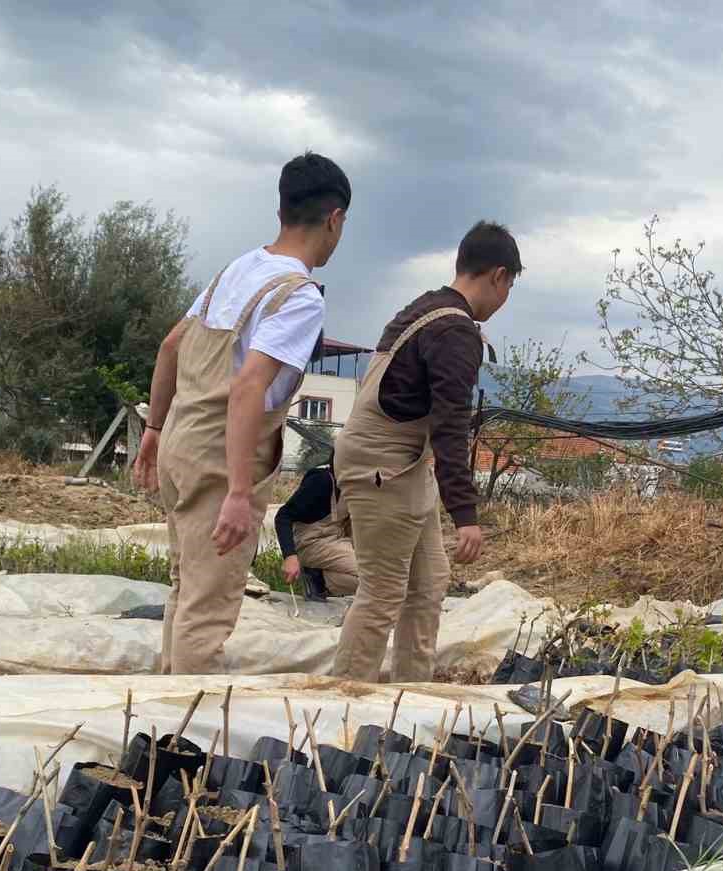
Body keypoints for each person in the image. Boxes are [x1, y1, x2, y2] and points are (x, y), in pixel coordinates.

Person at [133, 152, 349, 674]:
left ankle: (164, 700)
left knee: (186, 587)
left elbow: (169, 347)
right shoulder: (298, 295)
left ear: (282, 209)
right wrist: (236, 490)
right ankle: (180, 735)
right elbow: (249, 385)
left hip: (181, 439)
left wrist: (155, 430)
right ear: (334, 219)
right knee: (207, 607)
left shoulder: (237, 270)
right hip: (220, 457)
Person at [330, 221, 519, 683]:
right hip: (385, 466)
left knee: (430, 581)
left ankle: (411, 696)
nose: (506, 297)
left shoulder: (424, 308)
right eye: (509, 285)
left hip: (403, 465)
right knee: (382, 592)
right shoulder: (455, 331)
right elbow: (451, 423)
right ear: (498, 276)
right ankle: (339, 702)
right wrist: (465, 513)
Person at [274, 461, 357, 600]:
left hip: (337, 540)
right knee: (372, 578)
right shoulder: (321, 481)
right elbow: (283, 516)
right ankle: (319, 583)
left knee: (382, 571)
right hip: (311, 542)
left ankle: (316, 576)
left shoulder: (358, 484)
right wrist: (290, 556)